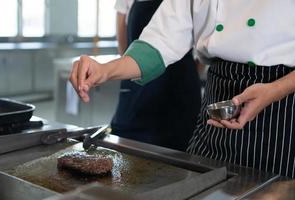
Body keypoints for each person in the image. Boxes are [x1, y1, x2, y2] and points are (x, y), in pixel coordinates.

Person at [70, 1, 295, 178]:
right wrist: (105, 70)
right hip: (218, 105)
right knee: (205, 186)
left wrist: (276, 89)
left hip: (281, 110)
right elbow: (158, 44)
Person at [111, 0, 201, 151]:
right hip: (138, 92)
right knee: (128, 153)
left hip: (179, 96)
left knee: (180, 159)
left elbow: (202, 44)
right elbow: (124, 47)